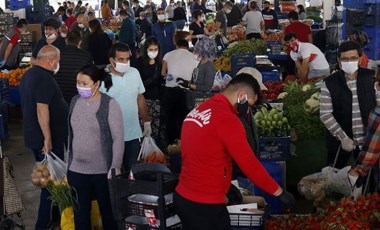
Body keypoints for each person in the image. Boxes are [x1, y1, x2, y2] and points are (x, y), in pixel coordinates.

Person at [174, 73, 296, 230]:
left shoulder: (198, 110)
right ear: (241, 96)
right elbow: (250, 165)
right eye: (249, 105)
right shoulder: (228, 119)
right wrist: (279, 193)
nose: (247, 111)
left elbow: (201, 154)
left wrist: (225, 186)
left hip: (184, 196)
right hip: (205, 206)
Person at [67, 64, 123, 230]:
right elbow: (70, 134)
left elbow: (118, 138)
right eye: (78, 82)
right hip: (77, 170)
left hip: (102, 171)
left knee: (109, 214)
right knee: (80, 214)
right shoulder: (74, 101)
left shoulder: (109, 105)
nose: (80, 87)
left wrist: (115, 166)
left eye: (84, 83)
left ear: (97, 84)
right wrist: (67, 162)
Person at [20, 45, 68, 229]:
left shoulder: (29, 75)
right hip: (46, 141)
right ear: (51, 61)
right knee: (49, 183)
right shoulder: (44, 78)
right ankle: (43, 223)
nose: (58, 65)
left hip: (35, 136)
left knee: (54, 179)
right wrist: (47, 139)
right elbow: (42, 109)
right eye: (58, 61)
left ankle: (56, 215)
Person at [320, 41, 380, 169]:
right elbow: (325, 114)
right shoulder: (330, 83)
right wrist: (343, 138)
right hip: (341, 143)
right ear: (339, 60)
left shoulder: (371, 78)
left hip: (369, 144)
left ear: (360, 59)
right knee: (335, 177)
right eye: (344, 59)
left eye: (353, 58)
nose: (349, 61)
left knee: (368, 182)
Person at [100, 42, 151, 171]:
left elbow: (140, 98)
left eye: (127, 59)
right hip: (111, 136)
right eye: (121, 59)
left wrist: (147, 122)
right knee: (112, 172)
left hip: (133, 133)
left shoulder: (134, 73)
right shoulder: (101, 78)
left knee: (132, 171)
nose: (125, 62)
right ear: (112, 60)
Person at [161, 39, 198, 144]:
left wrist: (169, 76)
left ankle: (170, 145)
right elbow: (195, 78)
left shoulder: (168, 54)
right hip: (185, 92)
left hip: (170, 90)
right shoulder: (194, 57)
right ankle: (183, 143)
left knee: (170, 119)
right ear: (187, 47)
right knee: (184, 118)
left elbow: (163, 73)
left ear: (177, 46)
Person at [136, 37, 164, 144]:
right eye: (151, 50)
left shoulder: (160, 63)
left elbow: (161, 81)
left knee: (154, 127)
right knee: (142, 127)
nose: (153, 52)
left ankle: (152, 151)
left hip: (156, 99)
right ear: (146, 50)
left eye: (155, 49)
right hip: (142, 99)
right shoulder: (138, 63)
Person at [55, 30, 93, 104]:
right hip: (78, 94)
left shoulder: (57, 54)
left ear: (66, 41)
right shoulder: (86, 56)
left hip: (59, 94)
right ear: (80, 41)